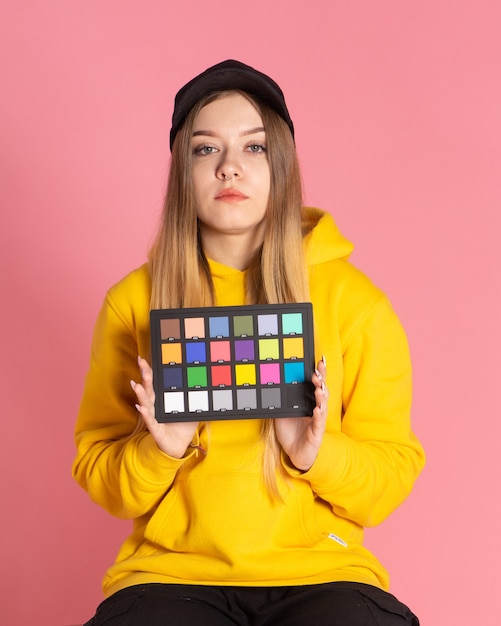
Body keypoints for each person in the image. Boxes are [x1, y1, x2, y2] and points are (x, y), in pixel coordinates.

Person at [73, 59, 425, 625]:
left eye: (253, 148)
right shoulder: (133, 302)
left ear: (280, 165)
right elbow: (102, 474)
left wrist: (316, 457)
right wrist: (159, 451)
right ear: (181, 171)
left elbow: (389, 479)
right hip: (172, 575)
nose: (229, 169)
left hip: (322, 574)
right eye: (205, 149)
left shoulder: (355, 302)